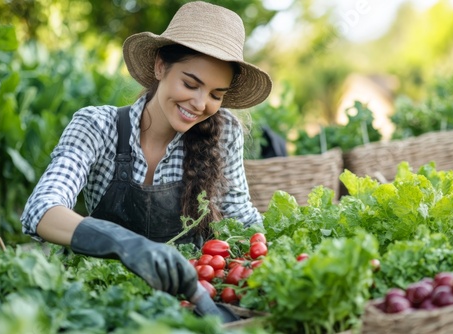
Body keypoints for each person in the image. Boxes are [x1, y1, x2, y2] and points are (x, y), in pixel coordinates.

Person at [20, 1, 272, 299]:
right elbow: (41, 210)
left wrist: (274, 261)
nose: (201, 104)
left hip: (187, 295)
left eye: (216, 94)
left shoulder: (223, 132)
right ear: (160, 66)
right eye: (191, 84)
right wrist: (124, 243)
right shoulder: (98, 126)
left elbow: (240, 218)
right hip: (103, 296)